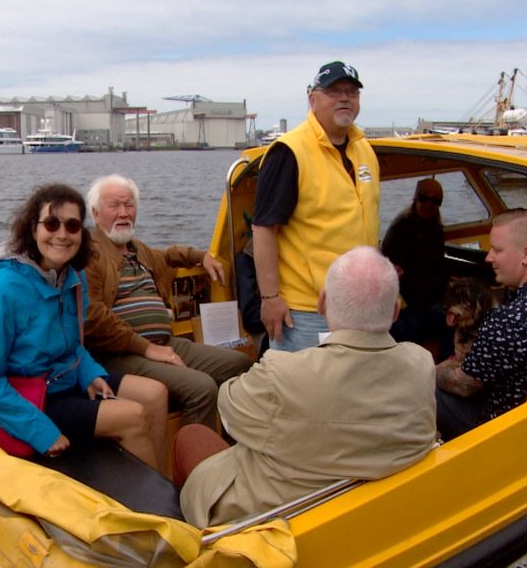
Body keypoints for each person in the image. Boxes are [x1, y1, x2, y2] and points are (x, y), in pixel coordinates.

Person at [176, 246, 438, 528]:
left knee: (191, 437)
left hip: (288, 519)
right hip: (383, 512)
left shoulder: (282, 373)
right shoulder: (421, 364)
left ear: (322, 303)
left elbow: (229, 412)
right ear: (395, 311)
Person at [0, 183, 168, 471]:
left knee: (155, 394)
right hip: (35, 396)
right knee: (133, 416)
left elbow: (73, 345)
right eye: (51, 224)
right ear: (33, 229)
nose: (61, 234)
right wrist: (41, 431)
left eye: (72, 226)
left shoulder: (72, 277)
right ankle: (153, 510)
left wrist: (89, 373)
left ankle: (166, 488)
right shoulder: (1, 291)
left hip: (67, 379)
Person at [84, 174, 253, 429]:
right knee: (201, 388)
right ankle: (195, 462)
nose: (123, 213)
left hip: (164, 342)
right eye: (114, 206)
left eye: (129, 205)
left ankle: (231, 449)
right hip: (120, 353)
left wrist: (201, 257)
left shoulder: (137, 250)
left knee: (240, 366)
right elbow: (92, 316)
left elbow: (168, 256)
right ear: (96, 214)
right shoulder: (89, 255)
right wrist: (146, 348)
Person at [252, 61, 380, 352]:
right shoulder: (290, 152)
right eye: (335, 91)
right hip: (307, 313)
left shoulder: (364, 150)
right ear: (313, 99)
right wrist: (270, 298)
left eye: (352, 92)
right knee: (305, 395)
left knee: (352, 392)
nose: (345, 98)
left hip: (361, 307)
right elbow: (263, 228)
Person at [435, 209, 527, 441]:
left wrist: (429, 370)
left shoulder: (508, 320)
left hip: (503, 425)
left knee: (425, 389)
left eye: (497, 250)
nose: (488, 257)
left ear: (526, 255)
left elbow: (464, 385)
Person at [381, 178, 449, 351]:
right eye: (423, 198)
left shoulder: (436, 230)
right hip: (407, 298)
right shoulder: (401, 228)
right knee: (436, 321)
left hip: (432, 295)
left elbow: (438, 266)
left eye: (435, 201)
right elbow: (389, 266)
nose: (428, 205)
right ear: (415, 199)